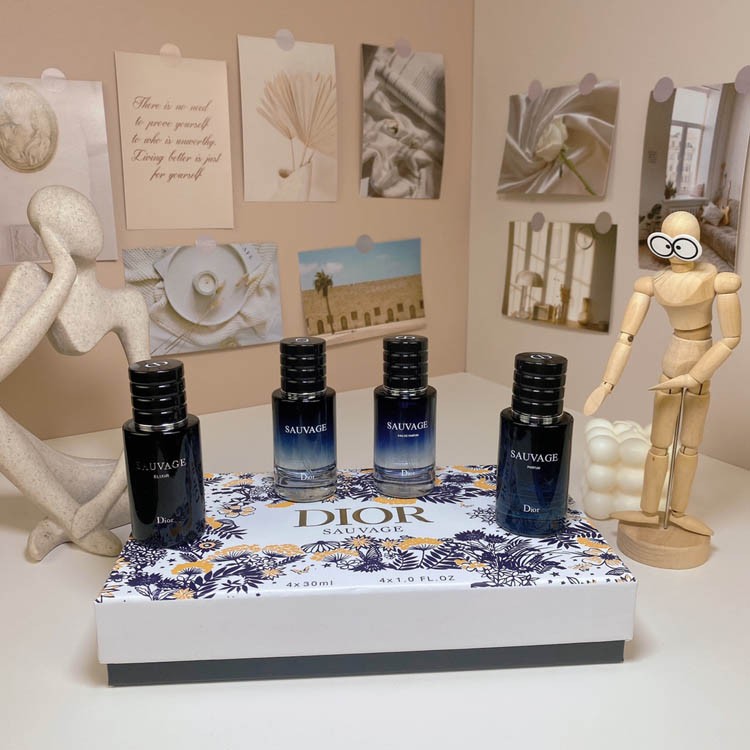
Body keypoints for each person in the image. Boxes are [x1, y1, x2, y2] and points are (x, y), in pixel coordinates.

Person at [0, 185, 150, 559]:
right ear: (49, 233)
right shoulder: (32, 281)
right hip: (49, 466)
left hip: (86, 472)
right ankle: (70, 518)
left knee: (173, 478)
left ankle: (63, 523)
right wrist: (62, 278)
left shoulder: (127, 304)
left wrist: (102, 502)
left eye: (82, 209)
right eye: (61, 215)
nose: (86, 219)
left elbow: (150, 412)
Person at [584, 211, 742, 536]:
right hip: (671, 363)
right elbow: (626, 336)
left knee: (689, 446)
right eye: (665, 244)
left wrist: (696, 375)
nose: (674, 254)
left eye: (681, 245)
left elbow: (731, 338)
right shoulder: (652, 283)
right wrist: (606, 383)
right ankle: (648, 510)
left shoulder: (718, 281)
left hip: (699, 367)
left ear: (695, 244)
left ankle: (678, 512)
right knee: (659, 445)